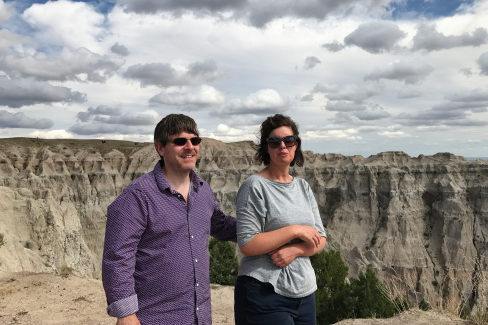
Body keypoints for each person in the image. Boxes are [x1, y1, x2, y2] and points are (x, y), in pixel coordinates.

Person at [102, 114, 237, 325]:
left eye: (195, 140)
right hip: (154, 318)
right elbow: (117, 258)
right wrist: (126, 315)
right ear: (161, 148)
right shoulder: (138, 197)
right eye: (180, 141)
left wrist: (266, 228)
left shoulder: (202, 191)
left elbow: (220, 225)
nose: (190, 147)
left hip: (199, 318)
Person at [234, 114, 327, 325]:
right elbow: (247, 244)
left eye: (289, 141)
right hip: (263, 291)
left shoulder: (303, 187)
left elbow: (320, 238)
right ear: (266, 148)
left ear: (296, 145)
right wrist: (294, 230)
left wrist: (296, 250)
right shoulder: (254, 186)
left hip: (304, 292)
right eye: (274, 142)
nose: (282, 146)